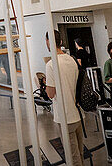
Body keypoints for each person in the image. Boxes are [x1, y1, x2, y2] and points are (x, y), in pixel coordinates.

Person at [42, 29, 84, 166]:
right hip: (78, 113)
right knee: (80, 154)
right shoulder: (71, 60)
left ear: (48, 42)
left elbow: (50, 94)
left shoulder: (51, 64)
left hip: (65, 116)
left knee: (73, 157)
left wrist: (45, 83)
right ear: (60, 41)